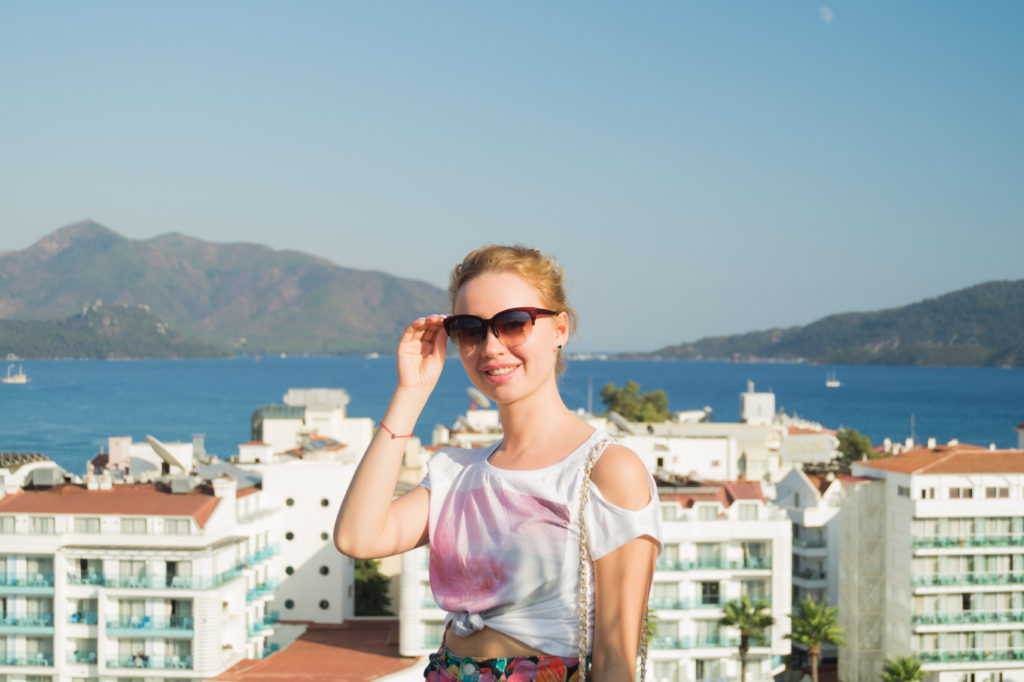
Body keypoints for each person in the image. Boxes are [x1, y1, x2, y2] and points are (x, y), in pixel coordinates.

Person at [335, 245, 661, 682]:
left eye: (513, 324)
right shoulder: (456, 472)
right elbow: (358, 537)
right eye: (470, 330)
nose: (491, 347)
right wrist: (410, 393)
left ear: (559, 329)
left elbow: (616, 659)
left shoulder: (604, 470)